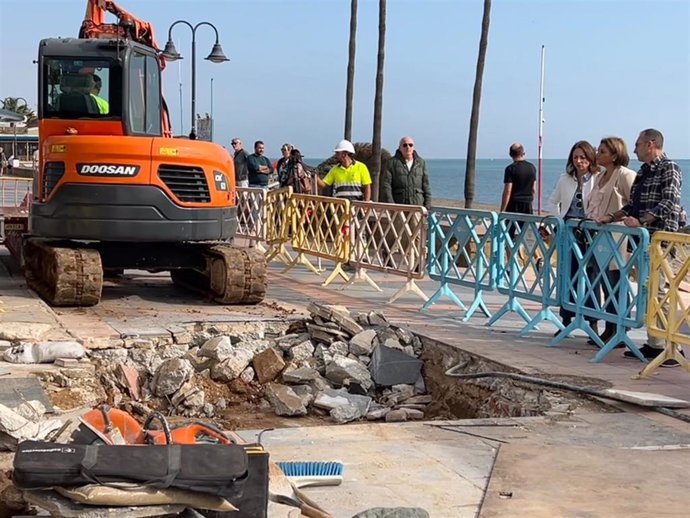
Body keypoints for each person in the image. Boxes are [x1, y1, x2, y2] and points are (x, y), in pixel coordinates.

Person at [598, 129, 686, 366]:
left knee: (662, 293)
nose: (634, 149)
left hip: (665, 242)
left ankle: (670, 349)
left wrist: (643, 220)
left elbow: (670, 202)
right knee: (650, 292)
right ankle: (654, 344)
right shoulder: (644, 172)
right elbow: (632, 205)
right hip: (645, 242)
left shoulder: (670, 168)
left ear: (651, 144)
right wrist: (612, 216)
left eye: (637, 144)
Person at [586, 137, 636, 345]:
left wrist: (614, 218)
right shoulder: (601, 176)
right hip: (601, 237)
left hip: (618, 237)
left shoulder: (625, 175)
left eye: (603, 151)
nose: (598, 154)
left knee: (617, 282)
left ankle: (620, 329)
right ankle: (610, 326)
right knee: (604, 281)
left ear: (615, 155)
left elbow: (633, 204)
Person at [548, 140, 600, 334]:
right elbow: (553, 201)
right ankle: (566, 318)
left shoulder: (598, 177)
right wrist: (559, 221)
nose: (579, 161)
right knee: (568, 273)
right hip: (569, 232)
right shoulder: (565, 179)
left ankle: (592, 321)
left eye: (583, 158)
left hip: (590, 232)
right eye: (576, 157)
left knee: (591, 276)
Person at [381, 136, 431, 208]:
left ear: (413, 147)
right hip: (399, 207)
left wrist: (427, 204)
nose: (408, 147)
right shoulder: (391, 163)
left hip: (417, 206)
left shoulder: (421, 163)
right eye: (405, 145)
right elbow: (386, 186)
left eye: (410, 145)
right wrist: (392, 205)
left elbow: (426, 185)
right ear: (399, 147)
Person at [500, 143, 536, 214]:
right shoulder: (532, 167)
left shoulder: (510, 169)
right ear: (523, 153)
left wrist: (502, 210)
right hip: (527, 204)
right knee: (526, 224)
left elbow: (507, 191)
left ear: (510, 155)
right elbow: (533, 189)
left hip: (513, 205)